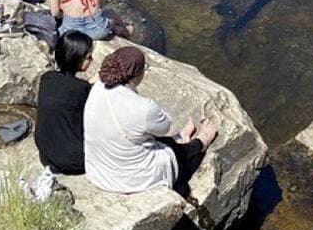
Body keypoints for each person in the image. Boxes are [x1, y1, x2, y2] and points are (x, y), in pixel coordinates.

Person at [83, 45, 218, 197]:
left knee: (142, 135)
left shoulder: (97, 88)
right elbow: (164, 126)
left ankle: (180, 137)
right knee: (176, 155)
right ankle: (202, 140)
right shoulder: (143, 108)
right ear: (137, 75)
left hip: (98, 170)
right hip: (125, 179)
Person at [34, 31, 94, 175]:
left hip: (46, 153)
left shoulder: (47, 79)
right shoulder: (81, 88)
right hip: (74, 159)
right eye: (88, 57)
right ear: (76, 59)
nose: (91, 60)